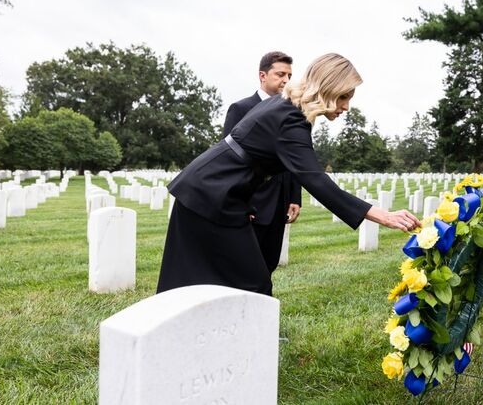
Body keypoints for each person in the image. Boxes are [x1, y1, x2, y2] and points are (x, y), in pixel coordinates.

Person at [157, 53, 421, 296]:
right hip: (211, 195)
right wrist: (381, 215)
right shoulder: (291, 117)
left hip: (216, 192)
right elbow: (314, 179)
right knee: (243, 283)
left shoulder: (285, 106)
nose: (347, 106)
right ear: (327, 88)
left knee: (218, 282)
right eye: (344, 97)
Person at [223, 51, 301, 278]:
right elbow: (231, 160)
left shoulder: (292, 111)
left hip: (280, 203)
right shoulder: (240, 108)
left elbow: (295, 156)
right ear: (263, 75)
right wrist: (241, 203)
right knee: (245, 267)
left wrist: (294, 196)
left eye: (289, 76)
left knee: (269, 263)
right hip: (253, 203)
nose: (286, 80)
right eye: (280, 74)